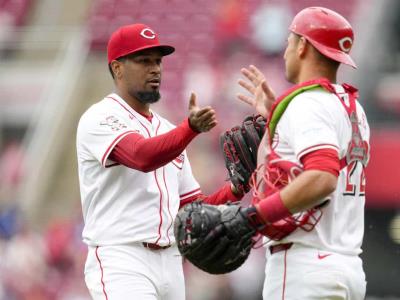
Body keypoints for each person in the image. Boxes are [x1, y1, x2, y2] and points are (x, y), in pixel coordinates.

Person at [76, 23, 242, 300]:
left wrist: (237, 187)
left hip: (171, 260)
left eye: (157, 61)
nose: (155, 69)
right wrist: (189, 129)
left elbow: (193, 208)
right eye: (143, 61)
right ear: (117, 68)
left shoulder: (168, 130)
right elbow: (141, 156)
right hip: (122, 257)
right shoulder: (99, 116)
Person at [237, 7, 370, 299]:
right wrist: (278, 117)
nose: (286, 48)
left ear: (303, 46)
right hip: (346, 266)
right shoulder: (352, 108)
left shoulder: (308, 104)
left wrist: (253, 217)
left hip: (305, 268)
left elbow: (322, 177)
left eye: (289, 40)